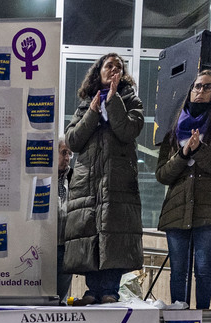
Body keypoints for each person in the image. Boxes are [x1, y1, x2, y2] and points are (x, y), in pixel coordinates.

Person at [154, 69, 211, 310]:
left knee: (203, 270)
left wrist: (199, 148)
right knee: (178, 271)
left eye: (206, 87)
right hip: (176, 210)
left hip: (209, 210)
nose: (199, 91)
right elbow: (162, 174)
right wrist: (183, 153)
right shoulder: (175, 126)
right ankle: (178, 321)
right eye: (196, 86)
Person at [64, 53, 144, 305]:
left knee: (113, 234)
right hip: (87, 183)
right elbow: (73, 140)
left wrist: (113, 102)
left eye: (118, 67)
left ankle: (110, 289)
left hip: (117, 183)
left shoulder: (130, 100)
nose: (113, 70)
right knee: (89, 232)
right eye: (108, 66)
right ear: (98, 72)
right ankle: (92, 289)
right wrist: (92, 111)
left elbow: (128, 130)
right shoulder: (85, 103)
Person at [55, 137, 73, 303]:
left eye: (69, 153)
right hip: (45, 247)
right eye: (63, 152)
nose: (67, 157)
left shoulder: (73, 178)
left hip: (66, 247)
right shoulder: (42, 178)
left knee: (61, 298)